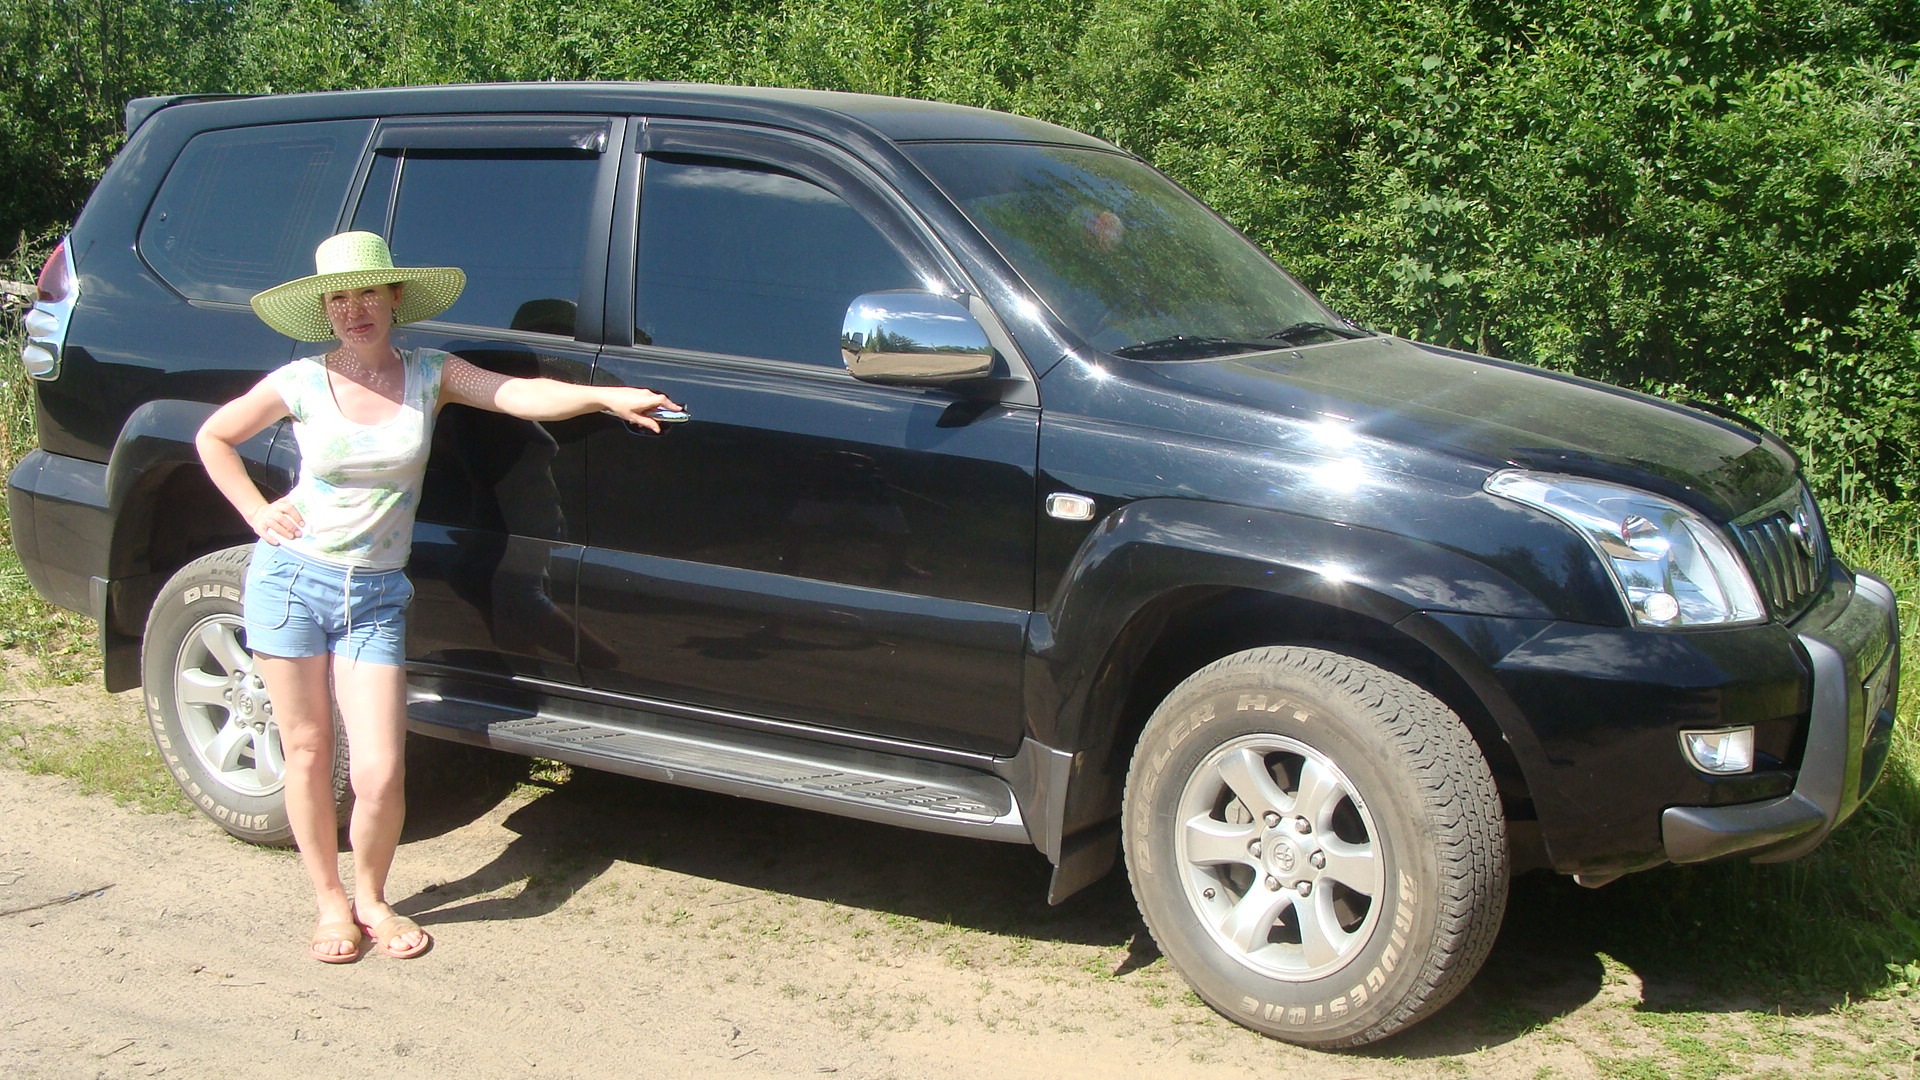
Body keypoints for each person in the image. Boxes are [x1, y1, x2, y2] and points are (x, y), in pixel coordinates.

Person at [196, 231, 680, 963]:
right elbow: (214, 437)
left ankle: (372, 898)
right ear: (324, 309)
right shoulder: (300, 381)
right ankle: (329, 903)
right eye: (339, 298)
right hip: (291, 582)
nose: (355, 309)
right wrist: (257, 512)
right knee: (308, 750)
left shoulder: (429, 373)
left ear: (394, 297)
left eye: (368, 292)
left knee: (381, 769)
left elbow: (516, 395)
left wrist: (605, 396)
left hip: (375, 597)